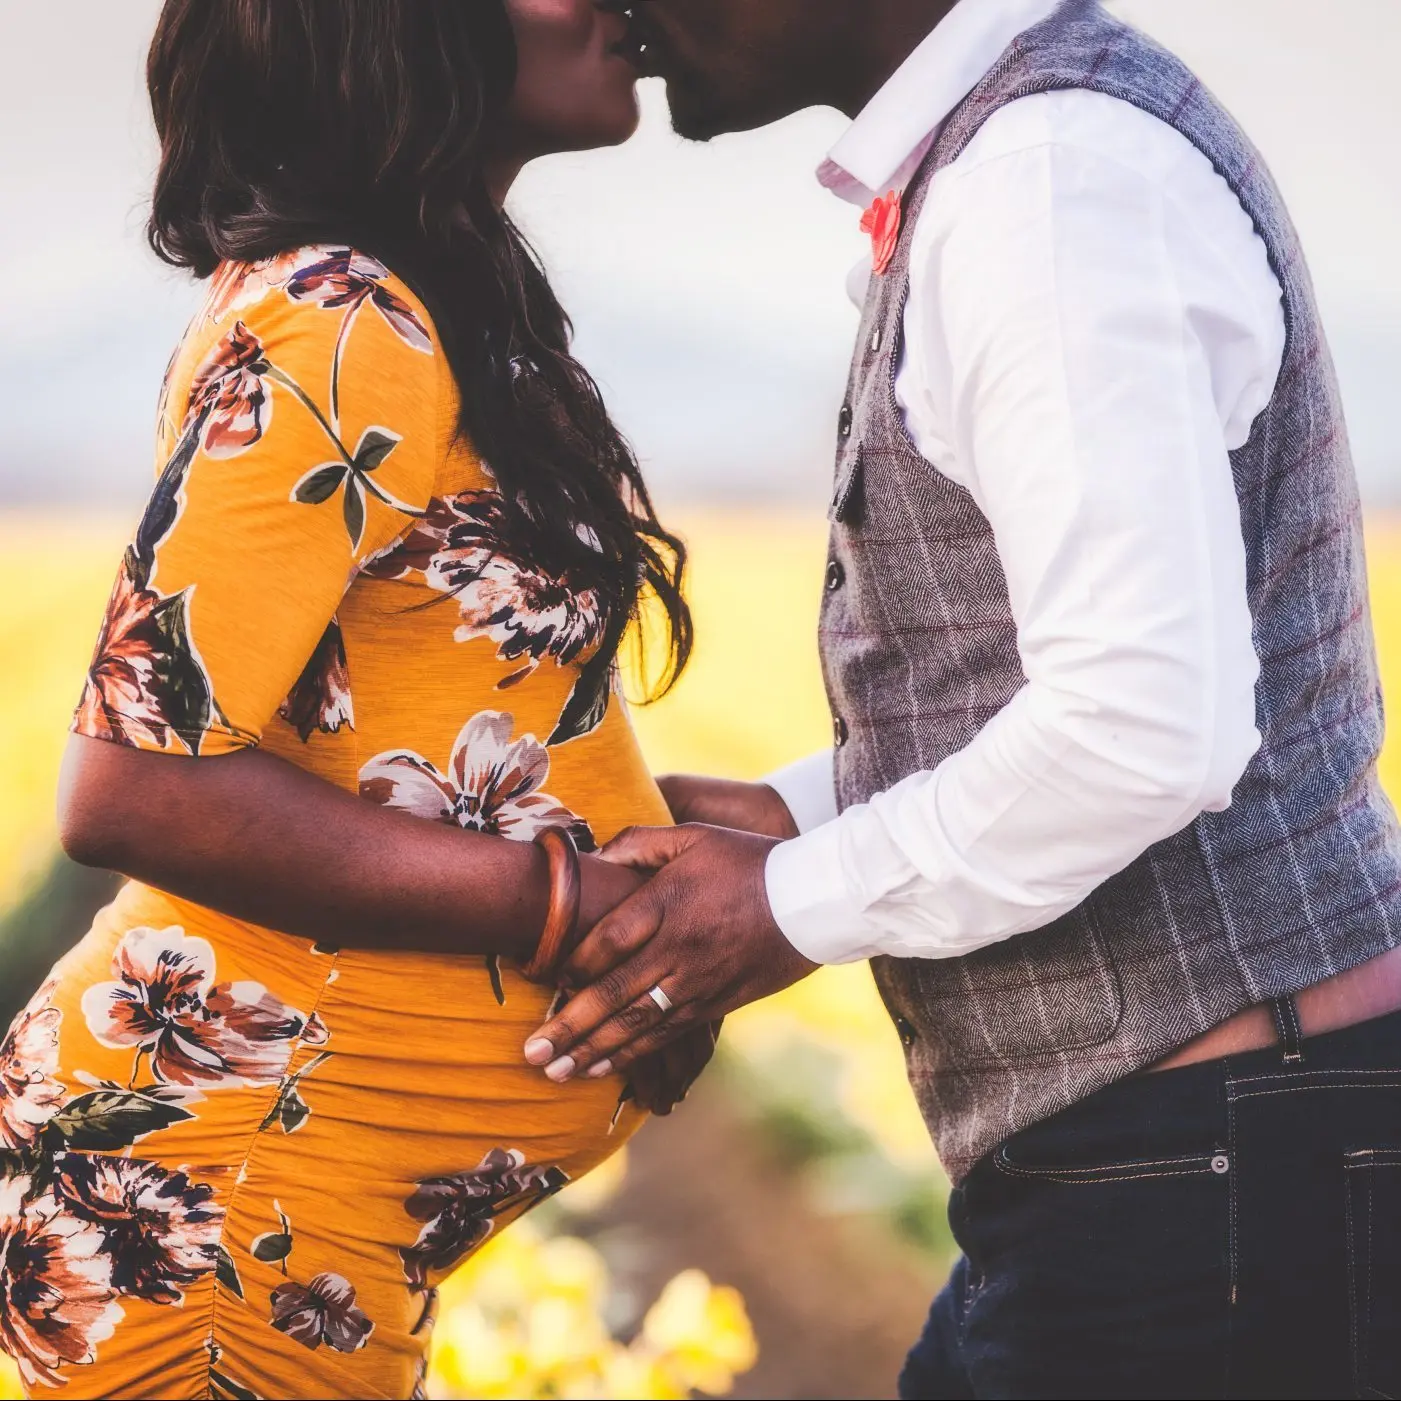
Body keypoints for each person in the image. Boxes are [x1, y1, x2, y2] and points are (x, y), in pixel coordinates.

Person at [532, 1, 1401, 1394]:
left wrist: (781, 905)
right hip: (1196, 1146)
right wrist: (791, 810)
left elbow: (1141, 723)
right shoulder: (1016, 160)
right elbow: (1065, 671)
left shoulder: (1049, 179)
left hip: (1214, 1163)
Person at [0, 3, 715, 1397]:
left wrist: (661, 851)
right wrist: (571, 909)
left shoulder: (413, 303)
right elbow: (139, 784)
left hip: (279, 1198)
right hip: (222, 1197)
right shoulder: (344, 321)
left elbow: (396, 725)